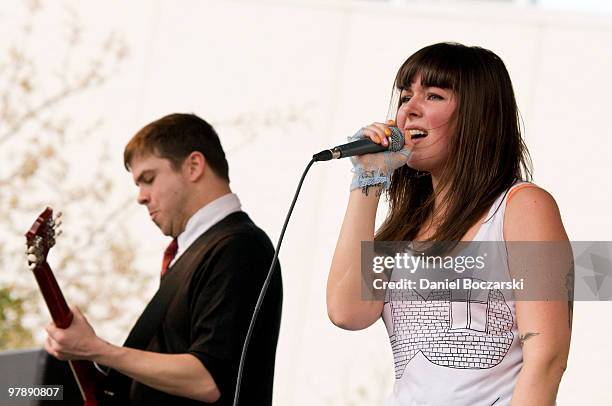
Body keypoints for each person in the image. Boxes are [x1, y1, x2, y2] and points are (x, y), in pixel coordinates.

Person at [327, 43, 571, 405]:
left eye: (434, 95)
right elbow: (346, 311)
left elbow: (546, 358)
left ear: (479, 115)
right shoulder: (409, 224)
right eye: (405, 95)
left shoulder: (523, 208)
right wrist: (368, 180)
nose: (409, 109)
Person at [44, 113, 283, 405]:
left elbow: (208, 379)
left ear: (194, 166)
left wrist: (97, 349)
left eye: (149, 179)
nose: (141, 197)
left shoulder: (239, 247)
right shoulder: (196, 251)